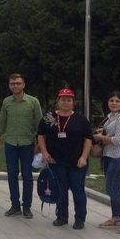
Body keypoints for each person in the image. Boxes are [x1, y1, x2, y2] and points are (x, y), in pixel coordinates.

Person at [37, 87, 92, 229]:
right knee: (60, 190)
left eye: (69, 100)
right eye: (63, 99)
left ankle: (80, 219)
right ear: (58, 101)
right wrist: (44, 152)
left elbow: (88, 139)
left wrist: (84, 157)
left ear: (74, 102)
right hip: (56, 161)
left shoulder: (80, 119)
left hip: (77, 162)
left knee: (78, 191)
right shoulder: (50, 117)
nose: (66, 102)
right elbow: (41, 135)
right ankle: (61, 216)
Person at [0, 73, 42, 219]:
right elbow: (2, 122)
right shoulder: (6, 102)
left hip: (27, 144)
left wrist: (40, 143)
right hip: (10, 144)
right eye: (13, 83)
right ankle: (15, 205)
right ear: (9, 85)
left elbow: (40, 124)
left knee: (27, 176)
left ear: (23, 84)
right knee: (12, 175)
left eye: (18, 83)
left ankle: (26, 207)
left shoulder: (33, 102)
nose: (15, 86)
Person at [93, 91, 120, 234]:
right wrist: (103, 131)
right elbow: (111, 133)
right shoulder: (110, 117)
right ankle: (116, 218)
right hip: (108, 156)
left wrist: (100, 137)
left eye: (117, 101)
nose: (114, 103)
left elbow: (117, 140)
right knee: (110, 188)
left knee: (112, 189)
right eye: (111, 100)